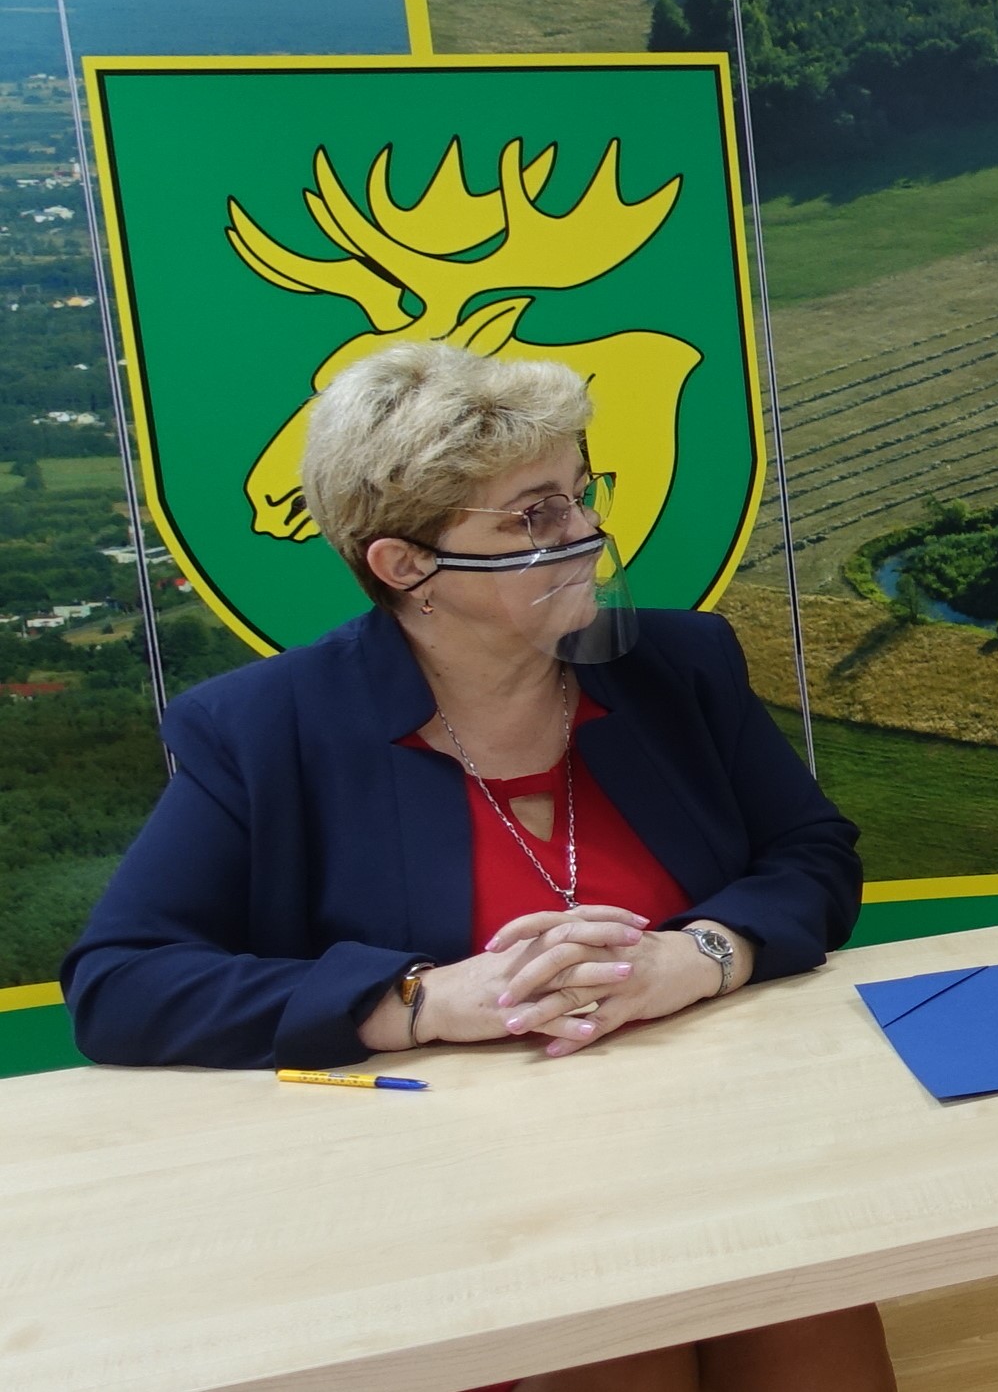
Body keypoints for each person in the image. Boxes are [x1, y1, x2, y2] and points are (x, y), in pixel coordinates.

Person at [64, 340, 892, 1392]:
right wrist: (421, 1000)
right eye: (532, 516)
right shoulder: (261, 729)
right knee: (608, 1346)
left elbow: (812, 854)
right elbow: (120, 982)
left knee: (809, 1318)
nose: (587, 534)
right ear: (404, 565)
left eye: (581, 495)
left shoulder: (678, 664)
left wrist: (698, 956)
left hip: (722, 1154)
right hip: (441, 1208)